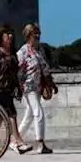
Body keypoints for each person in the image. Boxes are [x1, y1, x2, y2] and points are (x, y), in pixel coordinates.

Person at [0, 25, 30, 154]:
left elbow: (16, 72)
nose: (10, 37)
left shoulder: (13, 52)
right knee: (11, 114)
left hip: (9, 88)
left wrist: (19, 87)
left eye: (11, 34)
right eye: (7, 35)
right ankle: (18, 141)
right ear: (1, 37)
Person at [16, 23, 53, 154]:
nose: (37, 36)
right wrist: (19, 88)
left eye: (38, 33)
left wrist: (51, 84)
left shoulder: (39, 50)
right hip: (28, 86)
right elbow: (19, 72)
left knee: (30, 115)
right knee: (39, 113)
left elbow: (45, 69)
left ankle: (14, 139)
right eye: (34, 33)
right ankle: (40, 143)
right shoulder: (22, 52)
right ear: (28, 35)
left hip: (37, 86)